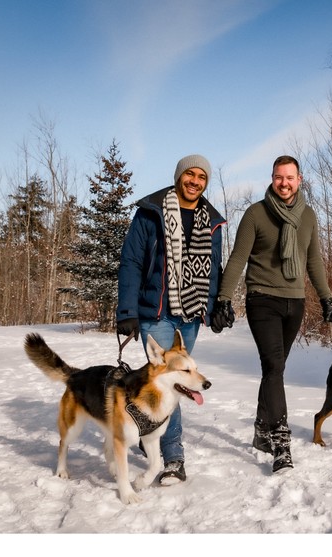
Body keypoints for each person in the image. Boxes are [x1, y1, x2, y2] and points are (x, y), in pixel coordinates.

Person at [210, 155, 332, 473]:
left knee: (275, 369)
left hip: (294, 302)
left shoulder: (308, 216)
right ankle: (281, 442)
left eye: (290, 177)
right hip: (262, 299)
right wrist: (224, 298)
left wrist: (327, 298)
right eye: (279, 177)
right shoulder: (256, 213)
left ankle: (259, 428)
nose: (284, 183)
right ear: (272, 178)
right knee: (273, 367)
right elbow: (238, 258)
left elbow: (314, 261)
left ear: (300, 179)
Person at [116, 154, 226, 485]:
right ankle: (174, 457)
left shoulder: (212, 220)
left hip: (191, 314)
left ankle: (146, 430)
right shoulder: (151, 213)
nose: (194, 181)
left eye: (201, 177)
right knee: (172, 381)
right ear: (179, 176)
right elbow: (132, 261)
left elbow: (215, 267)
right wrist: (127, 310)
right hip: (156, 310)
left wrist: (217, 304)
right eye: (189, 174)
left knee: (169, 383)